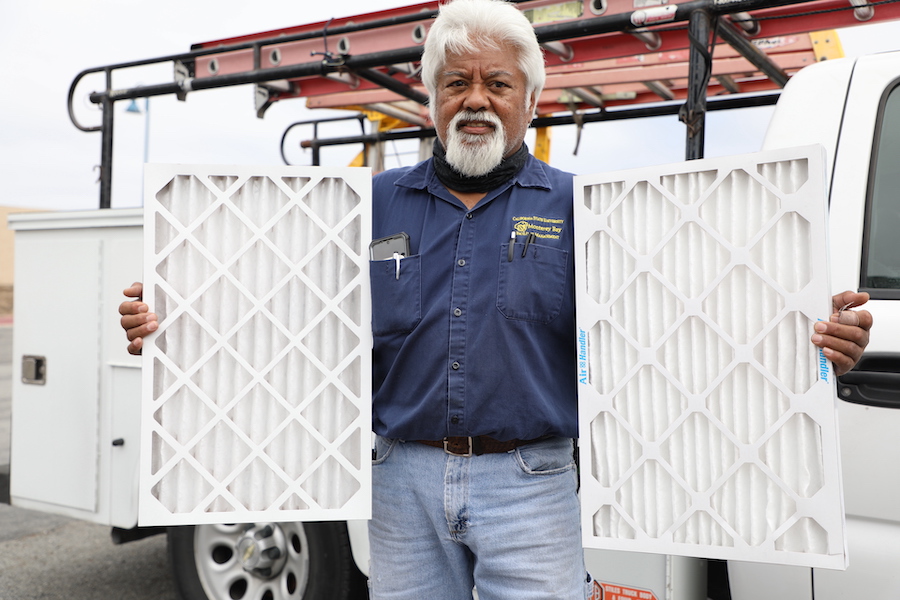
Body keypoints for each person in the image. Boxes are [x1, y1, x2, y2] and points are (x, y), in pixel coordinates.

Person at [120, 0, 873, 598]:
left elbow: (701, 318)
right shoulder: (363, 205)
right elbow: (275, 311)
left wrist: (813, 331)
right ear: (431, 99)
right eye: (457, 83)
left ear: (531, 101)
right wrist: (171, 322)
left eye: (497, 84)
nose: (476, 99)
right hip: (399, 483)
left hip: (532, 485)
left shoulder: (592, 209)